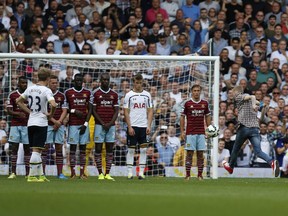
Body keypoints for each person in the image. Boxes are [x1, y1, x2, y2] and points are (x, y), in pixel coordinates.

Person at [222, 85, 280, 177]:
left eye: (233, 92)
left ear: (237, 92)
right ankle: (272, 162)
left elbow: (251, 96)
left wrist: (253, 99)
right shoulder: (256, 103)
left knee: (235, 149)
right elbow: (261, 117)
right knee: (258, 151)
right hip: (254, 129)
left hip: (244, 128)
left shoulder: (239, 97)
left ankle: (231, 167)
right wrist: (264, 108)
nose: (232, 94)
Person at [16, 68, 57, 182]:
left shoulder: (30, 88)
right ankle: (31, 175)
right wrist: (50, 115)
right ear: (48, 79)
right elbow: (53, 104)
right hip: (41, 123)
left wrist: (29, 112)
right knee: (36, 150)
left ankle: (41, 175)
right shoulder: (46, 90)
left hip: (31, 122)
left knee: (37, 150)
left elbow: (18, 101)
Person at [123, 73, 153, 180]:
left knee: (143, 150)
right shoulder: (129, 95)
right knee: (131, 150)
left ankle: (141, 173)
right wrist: (129, 126)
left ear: (142, 83)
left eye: (140, 83)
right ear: (133, 83)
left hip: (143, 126)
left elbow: (150, 111)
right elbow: (126, 112)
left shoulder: (147, 95)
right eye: (136, 83)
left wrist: (148, 125)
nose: (138, 85)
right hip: (133, 126)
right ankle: (129, 173)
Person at [180, 84, 212, 180]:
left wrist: (209, 129)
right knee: (189, 153)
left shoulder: (205, 103)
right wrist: (182, 131)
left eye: (198, 90)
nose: (196, 92)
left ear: (200, 91)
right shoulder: (187, 103)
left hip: (201, 132)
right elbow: (182, 117)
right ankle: (188, 175)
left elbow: (208, 115)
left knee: (200, 154)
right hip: (190, 133)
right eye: (195, 90)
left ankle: (200, 175)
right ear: (192, 92)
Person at [65, 74, 92, 179]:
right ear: (74, 81)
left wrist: (85, 124)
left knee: (83, 149)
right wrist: (74, 111)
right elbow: (64, 108)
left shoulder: (87, 93)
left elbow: (90, 109)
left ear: (83, 81)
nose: (79, 82)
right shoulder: (68, 92)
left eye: (81, 80)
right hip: (73, 124)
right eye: (77, 80)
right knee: (72, 149)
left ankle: (82, 173)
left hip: (84, 124)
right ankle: (72, 173)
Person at [92, 73, 119, 181]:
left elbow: (116, 110)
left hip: (111, 126)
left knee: (109, 149)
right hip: (99, 125)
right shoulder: (95, 93)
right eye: (103, 80)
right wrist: (103, 123)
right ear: (100, 80)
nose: (105, 81)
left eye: (107, 80)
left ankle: (107, 173)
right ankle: (100, 173)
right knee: (98, 148)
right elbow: (93, 110)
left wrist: (110, 123)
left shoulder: (114, 94)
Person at [43, 75, 68, 179]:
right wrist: (54, 121)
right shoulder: (45, 95)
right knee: (45, 149)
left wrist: (59, 122)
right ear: (48, 83)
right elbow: (43, 110)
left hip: (59, 125)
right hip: (47, 124)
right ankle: (42, 173)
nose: (54, 84)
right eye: (52, 83)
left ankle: (60, 173)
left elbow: (65, 110)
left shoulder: (61, 95)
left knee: (59, 149)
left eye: (55, 83)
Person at [6, 76, 29, 179]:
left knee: (27, 148)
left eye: (26, 83)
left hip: (27, 125)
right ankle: (13, 172)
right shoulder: (12, 94)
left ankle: (28, 173)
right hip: (15, 124)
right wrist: (18, 114)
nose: (25, 85)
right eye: (23, 83)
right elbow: (8, 110)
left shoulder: (29, 95)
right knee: (14, 148)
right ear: (19, 84)